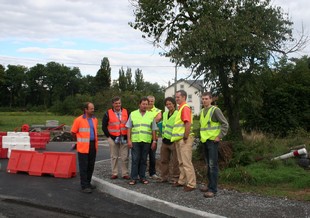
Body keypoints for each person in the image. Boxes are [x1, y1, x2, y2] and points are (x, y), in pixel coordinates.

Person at [199, 92, 229, 198]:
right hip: (205, 141)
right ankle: (209, 185)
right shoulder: (202, 111)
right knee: (208, 165)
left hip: (213, 142)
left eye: (206, 98)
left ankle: (213, 189)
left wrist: (219, 136)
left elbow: (225, 124)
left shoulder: (215, 110)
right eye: (203, 99)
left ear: (211, 99)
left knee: (213, 165)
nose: (204, 100)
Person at [126, 97, 157, 185]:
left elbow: (154, 129)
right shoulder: (133, 114)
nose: (144, 106)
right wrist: (129, 140)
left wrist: (154, 141)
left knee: (144, 160)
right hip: (135, 140)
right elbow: (129, 127)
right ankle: (133, 178)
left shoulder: (151, 115)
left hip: (146, 141)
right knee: (135, 159)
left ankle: (142, 177)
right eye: (143, 104)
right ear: (139, 104)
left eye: (146, 104)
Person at [171, 90, 196, 192]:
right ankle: (182, 180)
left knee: (186, 162)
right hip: (179, 139)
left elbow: (187, 123)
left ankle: (191, 183)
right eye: (176, 97)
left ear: (184, 97)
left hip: (184, 139)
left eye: (178, 97)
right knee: (181, 162)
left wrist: (185, 137)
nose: (176, 99)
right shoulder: (180, 108)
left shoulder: (184, 108)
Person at [71, 102, 98, 193]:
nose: (93, 110)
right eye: (91, 108)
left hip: (93, 145)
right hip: (83, 147)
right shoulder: (78, 120)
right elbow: (73, 132)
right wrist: (78, 140)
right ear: (86, 110)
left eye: (93, 108)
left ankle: (88, 183)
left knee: (91, 165)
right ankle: (84, 186)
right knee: (83, 166)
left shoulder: (94, 119)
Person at [102, 96, 130, 180]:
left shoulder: (126, 112)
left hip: (124, 138)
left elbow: (130, 125)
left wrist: (129, 137)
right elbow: (104, 126)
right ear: (113, 104)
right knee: (114, 157)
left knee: (125, 157)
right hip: (113, 138)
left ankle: (125, 173)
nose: (118, 105)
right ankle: (115, 173)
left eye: (119, 103)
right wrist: (108, 137)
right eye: (116, 103)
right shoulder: (108, 113)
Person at [158, 97, 180, 183]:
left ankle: (175, 178)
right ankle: (164, 177)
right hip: (165, 140)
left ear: (174, 104)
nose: (168, 106)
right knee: (163, 160)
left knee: (175, 161)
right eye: (167, 104)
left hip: (174, 140)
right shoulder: (164, 114)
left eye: (170, 104)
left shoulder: (177, 114)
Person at [146, 95, 162, 180]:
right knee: (143, 156)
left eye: (152, 101)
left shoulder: (158, 111)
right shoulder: (143, 109)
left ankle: (152, 173)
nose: (150, 103)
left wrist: (147, 120)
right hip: (144, 136)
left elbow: (157, 119)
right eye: (149, 101)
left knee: (152, 156)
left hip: (153, 137)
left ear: (154, 102)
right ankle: (142, 172)